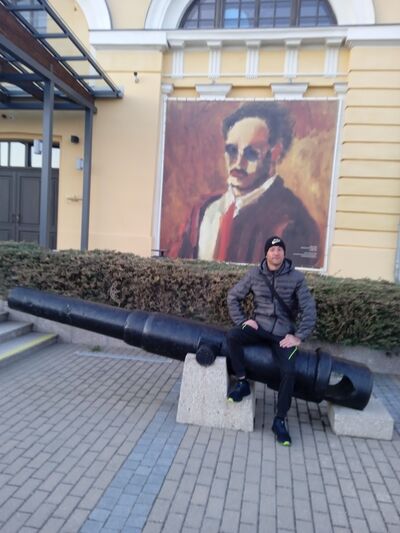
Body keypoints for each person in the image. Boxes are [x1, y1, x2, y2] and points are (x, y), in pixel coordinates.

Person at [177, 102, 321, 268]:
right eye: (232, 150)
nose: (238, 163)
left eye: (251, 153)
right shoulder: (203, 210)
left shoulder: (293, 222)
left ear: (275, 153)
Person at [226, 236, 316, 446]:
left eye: (279, 250)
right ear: (266, 253)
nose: (276, 253)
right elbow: (233, 297)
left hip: (283, 335)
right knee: (232, 336)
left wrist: (298, 336)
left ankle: (279, 420)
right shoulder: (255, 274)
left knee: (289, 372)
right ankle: (242, 381)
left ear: (284, 253)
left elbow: (309, 309)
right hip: (260, 327)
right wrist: (243, 321)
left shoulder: (296, 278)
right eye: (272, 250)